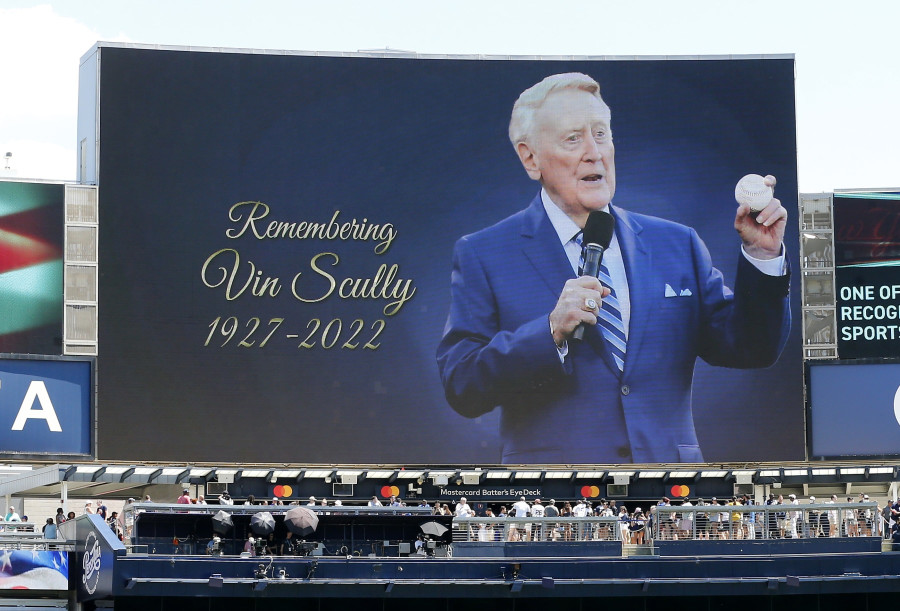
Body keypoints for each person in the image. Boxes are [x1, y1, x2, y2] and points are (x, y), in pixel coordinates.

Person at [436, 72, 790, 464]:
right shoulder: (484, 253)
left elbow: (751, 347)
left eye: (601, 134)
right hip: (557, 501)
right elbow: (462, 384)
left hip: (670, 496)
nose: (594, 152)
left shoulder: (676, 243)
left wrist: (762, 257)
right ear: (530, 157)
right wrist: (549, 332)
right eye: (573, 138)